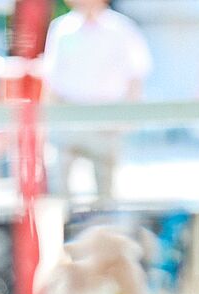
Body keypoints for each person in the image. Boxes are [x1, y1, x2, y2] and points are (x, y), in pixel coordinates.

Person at [40, 0, 152, 198]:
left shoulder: (121, 28)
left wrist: (126, 117)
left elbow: (136, 73)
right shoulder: (61, 28)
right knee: (60, 188)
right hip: (69, 117)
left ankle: (103, 227)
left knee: (105, 190)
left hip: (106, 118)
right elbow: (52, 79)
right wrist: (50, 121)